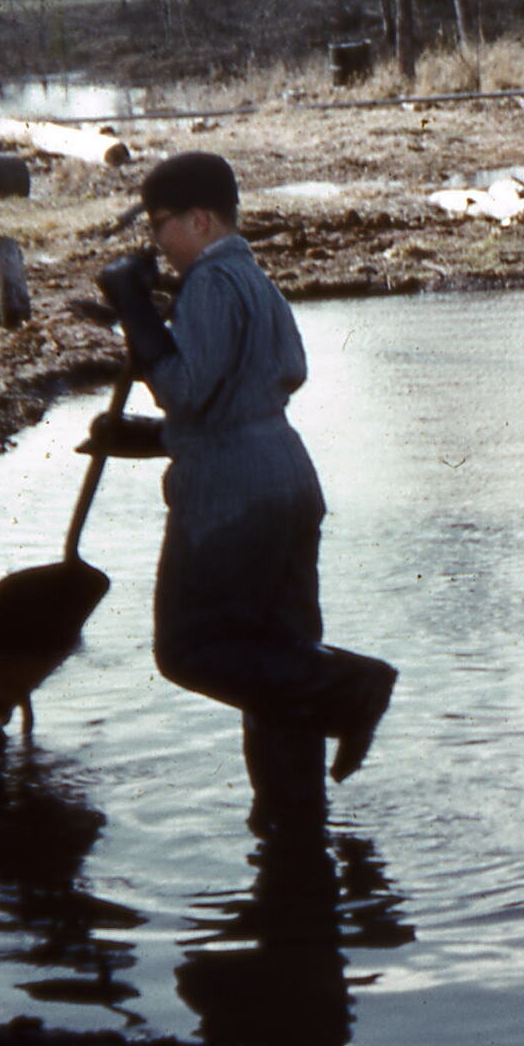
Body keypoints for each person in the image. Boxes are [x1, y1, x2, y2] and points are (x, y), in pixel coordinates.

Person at [92, 151, 396, 838]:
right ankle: (292, 820)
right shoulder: (253, 281)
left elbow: (187, 389)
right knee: (277, 667)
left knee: (189, 648)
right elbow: (255, 388)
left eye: (160, 224)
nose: (155, 242)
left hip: (230, 498)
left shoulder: (207, 285)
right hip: (284, 476)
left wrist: (137, 310)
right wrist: (149, 438)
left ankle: (355, 686)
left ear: (200, 219)